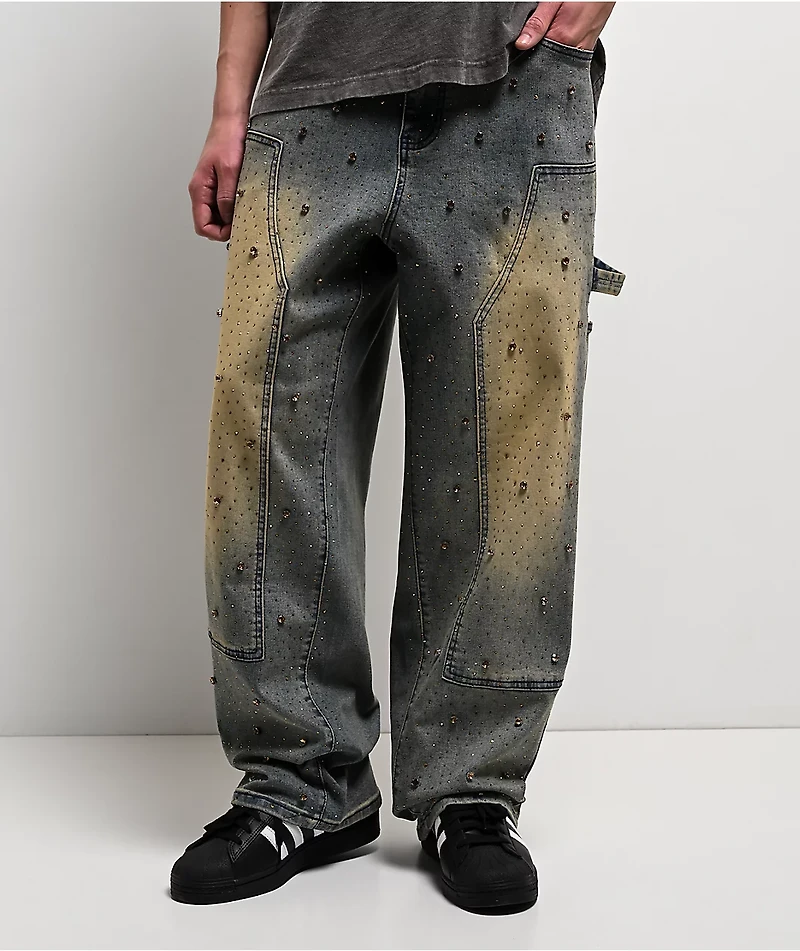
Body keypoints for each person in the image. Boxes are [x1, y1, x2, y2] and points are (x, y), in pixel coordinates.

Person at [172, 0, 625, 914]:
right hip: (305, 89)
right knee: (267, 440)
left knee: (506, 455)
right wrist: (229, 105)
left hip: (513, 80)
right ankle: (300, 783)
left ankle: (471, 788)